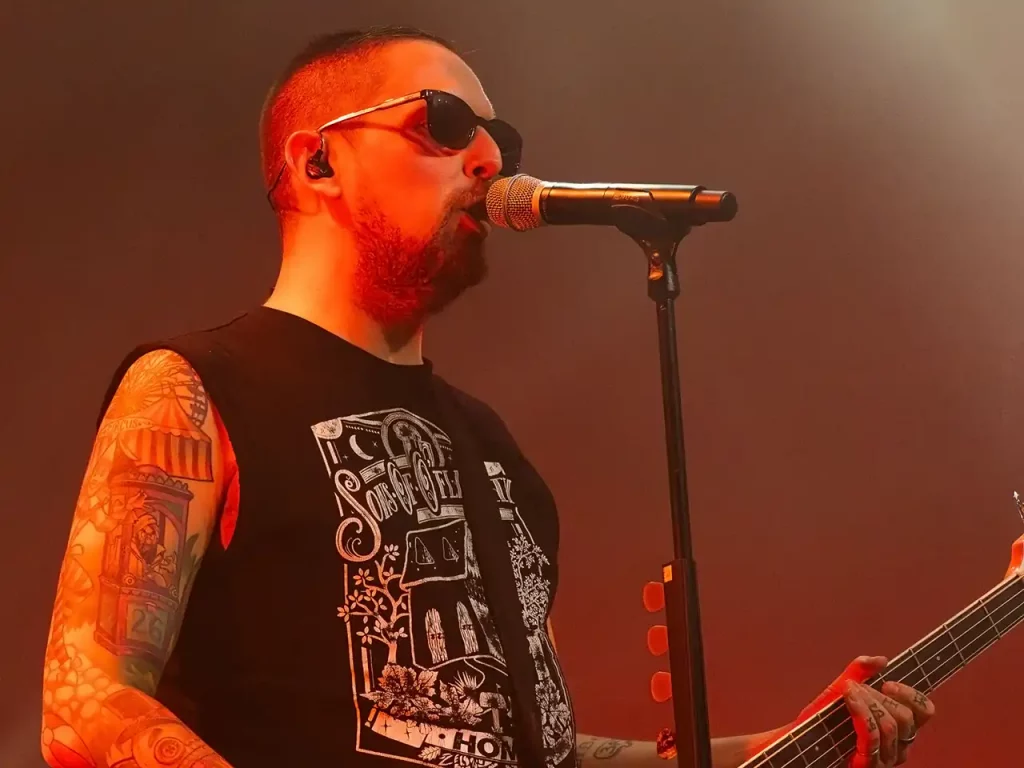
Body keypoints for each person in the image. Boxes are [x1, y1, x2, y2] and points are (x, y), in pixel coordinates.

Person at [39, 25, 935, 768]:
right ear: (317, 162)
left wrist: (766, 749)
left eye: (503, 139)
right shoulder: (193, 389)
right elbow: (86, 702)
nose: (490, 156)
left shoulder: (493, 448)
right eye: (444, 121)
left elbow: (534, 750)